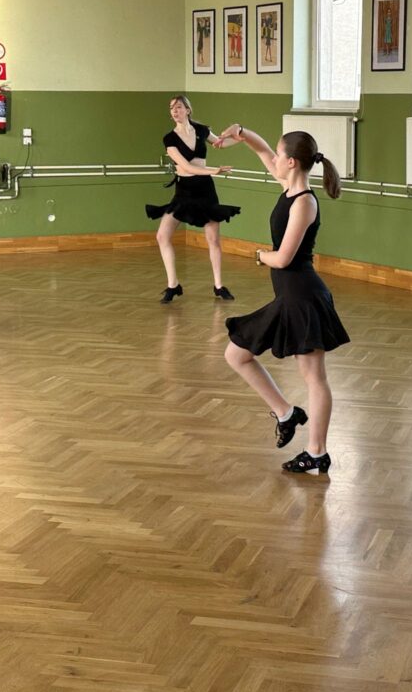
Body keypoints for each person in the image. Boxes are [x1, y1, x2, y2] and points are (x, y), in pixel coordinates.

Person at [218, 124, 350, 474]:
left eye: (279, 155)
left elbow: (284, 258)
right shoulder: (288, 187)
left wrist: (259, 255)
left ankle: (317, 451)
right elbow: (263, 150)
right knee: (236, 354)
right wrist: (242, 133)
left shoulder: (304, 203)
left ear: (291, 162)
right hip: (292, 297)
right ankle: (286, 413)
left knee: (314, 378)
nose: (273, 159)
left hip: (303, 299)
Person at [145, 95, 239, 304]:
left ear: (187, 110)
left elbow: (220, 143)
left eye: (178, 107)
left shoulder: (201, 130)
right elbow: (186, 167)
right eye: (171, 108)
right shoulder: (169, 139)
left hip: (205, 190)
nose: (174, 111)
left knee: (213, 239)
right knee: (162, 236)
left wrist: (242, 136)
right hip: (184, 190)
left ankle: (219, 286)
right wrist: (214, 170)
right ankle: (173, 285)